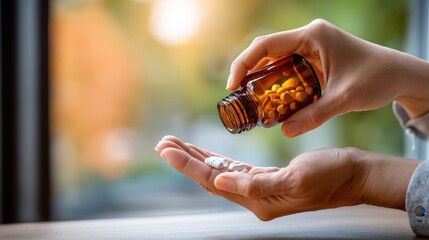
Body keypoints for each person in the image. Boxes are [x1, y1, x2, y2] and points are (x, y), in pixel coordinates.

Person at [154, 19, 429, 237]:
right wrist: (409, 79)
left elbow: (361, 176)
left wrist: (361, 177)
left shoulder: (258, 95)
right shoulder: (259, 102)